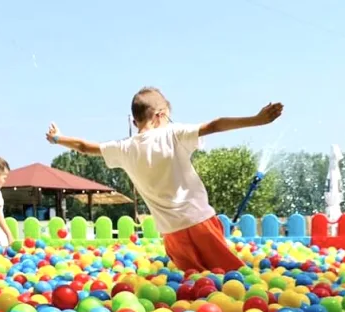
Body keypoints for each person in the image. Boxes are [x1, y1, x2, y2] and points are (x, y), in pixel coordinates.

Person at [45, 87, 283, 273]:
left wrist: (58, 139)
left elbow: (85, 147)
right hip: (199, 221)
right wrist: (256, 119)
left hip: (172, 234)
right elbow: (214, 124)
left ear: (134, 121)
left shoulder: (124, 148)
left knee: (197, 283)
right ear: (160, 116)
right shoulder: (172, 133)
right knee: (230, 278)